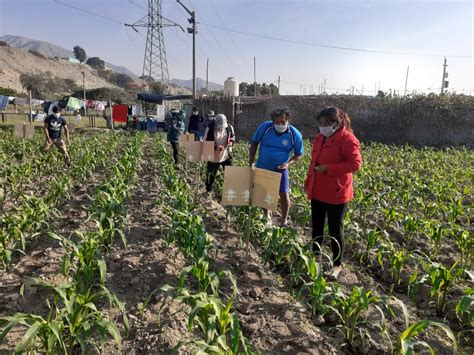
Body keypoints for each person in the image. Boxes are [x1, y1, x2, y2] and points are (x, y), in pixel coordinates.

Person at [304, 106, 362, 279]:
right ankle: (316, 258)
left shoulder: (348, 139)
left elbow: (355, 164)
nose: (322, 127)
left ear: (336, 123)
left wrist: (328, 169)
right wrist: (309, 181)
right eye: (320, 123)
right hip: (318, 189)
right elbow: (314, 161)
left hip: (337, 191)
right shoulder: (320, 138)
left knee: (336, 229)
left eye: (325, 123)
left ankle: (337, 265)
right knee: (317, 225)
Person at [249, 109, 304, 227]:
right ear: (272, 121)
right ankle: (266, 216)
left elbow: (298, 154)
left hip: (281, 169)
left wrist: (288, 164)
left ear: (288, 121)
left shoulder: (294, 134)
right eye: (277, 122)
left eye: (283, 122)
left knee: (283, 194)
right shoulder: (265, 128)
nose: (280, 125)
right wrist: (251, 161)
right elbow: (254, 142)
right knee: (264, 193)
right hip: (263, 166)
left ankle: (283, 220)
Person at [203, 113, 235, 193]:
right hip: (214, 156)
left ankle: (230, 191)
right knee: (211, 174)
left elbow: (233, 137)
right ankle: (208, 191)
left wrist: (231, 142)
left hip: (226, 154)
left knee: (230, 173)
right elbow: (205, 141)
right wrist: (216, 146)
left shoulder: (229, 127)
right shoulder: (210, 128)